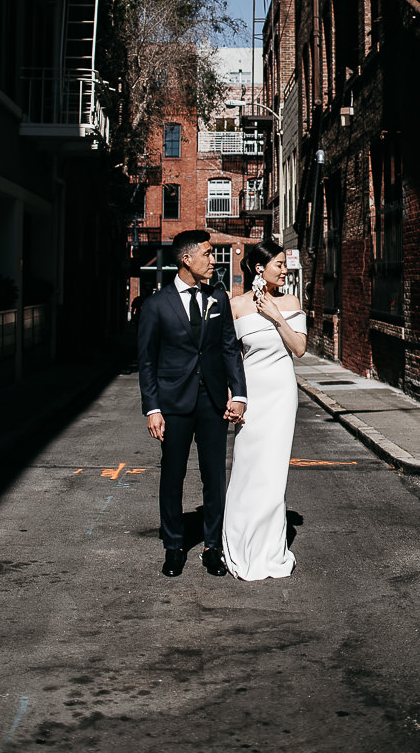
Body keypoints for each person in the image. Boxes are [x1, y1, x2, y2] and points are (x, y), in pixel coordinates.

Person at [137, 230, 247, 578]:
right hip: (173, 402)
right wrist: (152, 408)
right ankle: (174, 546)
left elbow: (229, 347)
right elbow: (147, 361)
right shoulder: (157, 304)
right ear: (187, 259)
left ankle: (213, 547)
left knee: (214, 476)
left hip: (212, 400)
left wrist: (239, 394)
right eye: (207, 254)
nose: (213, 260)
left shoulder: (218, 296)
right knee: (173, 475)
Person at [222, 238, 307, 580]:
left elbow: (299, 348)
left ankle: (270, 548)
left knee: (272, 473)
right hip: (251, 392)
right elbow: (231, 357)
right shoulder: (237, 305)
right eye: (280, 265)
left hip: (281, 393)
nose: (285, 270)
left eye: (286, 265)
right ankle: (239, 542)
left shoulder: (290, 301)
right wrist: (233, 396)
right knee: (246, 468)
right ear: (260, 268)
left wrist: (276, 317)